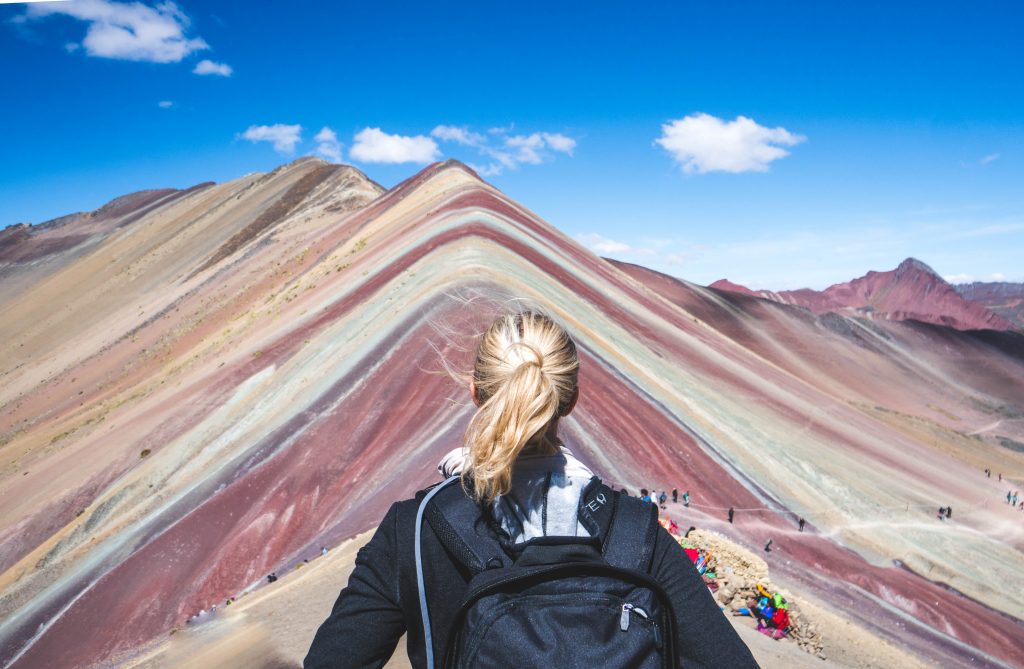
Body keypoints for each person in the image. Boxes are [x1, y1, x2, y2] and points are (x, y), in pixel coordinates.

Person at [304, 311, 758, 668]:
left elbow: (333, 659)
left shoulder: (415, 531)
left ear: (475, 392)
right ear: (571, 400)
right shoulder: (634, 532)